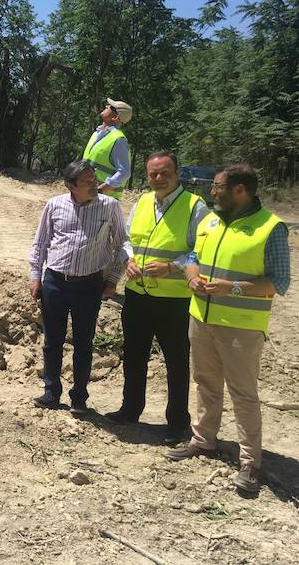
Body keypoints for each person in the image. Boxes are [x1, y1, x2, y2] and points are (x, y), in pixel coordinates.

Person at [165, 164, 290, 496]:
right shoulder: (211, 220)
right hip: (201, 318)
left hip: (241, 328)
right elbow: (193, 254)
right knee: (205, 384)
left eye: (218, 187)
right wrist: (192, 276)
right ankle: (203, 440)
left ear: (240, 190)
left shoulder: (271, 228)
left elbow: (279, 282)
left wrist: (231, 288)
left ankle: (250, 462)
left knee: (243, 394)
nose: (212, 192)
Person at [105, 151, 210, 444]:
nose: (158, 178)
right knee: (134, 355)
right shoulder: (141, 202)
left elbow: (201, 249)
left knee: (176, 361)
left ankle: (177, 423)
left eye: (164, 173)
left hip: (174, 300)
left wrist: (172, 266)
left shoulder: (194, 206)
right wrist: (128, 260)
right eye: (153, 174)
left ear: (177, 174)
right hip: (137, 294)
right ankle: (130, 409)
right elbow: (128, 240)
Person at [28, 160, 125, 414]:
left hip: (89, 285)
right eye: (88, 181)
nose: (95, 184)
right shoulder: (54, 205)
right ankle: (51, 392)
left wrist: (113, 278)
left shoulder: (110, 206)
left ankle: (79, 398)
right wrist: (35, 276)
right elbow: (40, 244)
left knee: (84, 342)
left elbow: (122, 244)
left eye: (94, 179)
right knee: (52, 341)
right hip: (56, 283)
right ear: (71, 185)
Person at [82, 98, 132, 199]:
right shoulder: (97, 133)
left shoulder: (119, 140)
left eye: (111, 107)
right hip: (86, 194)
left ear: (115, 117)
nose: (106, 106)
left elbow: (124, 172)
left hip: (104, 199)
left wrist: (101, 190)